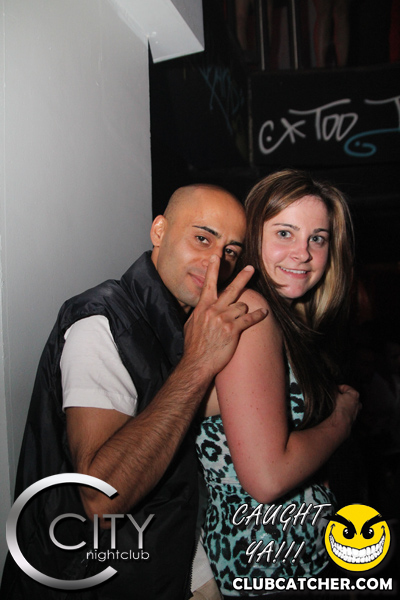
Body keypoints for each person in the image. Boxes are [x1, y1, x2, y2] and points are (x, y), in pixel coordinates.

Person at [0, 184, 267, 600]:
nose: (216, 262)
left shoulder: (183, 325)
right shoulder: (100, 322)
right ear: (159, 231)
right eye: (202, 238)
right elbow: (101, 496)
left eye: (230, 251)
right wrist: (198, 364)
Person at [195, 170, 361, 598]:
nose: (303, 253)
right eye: (285, 233)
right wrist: (340, 422)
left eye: (317, 238)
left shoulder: (286, 318)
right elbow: (267, 477)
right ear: (253, 235)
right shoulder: (252, 311)